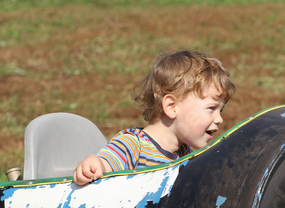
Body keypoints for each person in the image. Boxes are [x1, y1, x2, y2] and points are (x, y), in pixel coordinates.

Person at [73, 50, 235, 185]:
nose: (219, 119)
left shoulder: (185, 153)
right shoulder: (134, 145)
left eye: (220, 110)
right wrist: (96, 164)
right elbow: (107, 164)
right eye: (211, 108)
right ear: (172, 107)